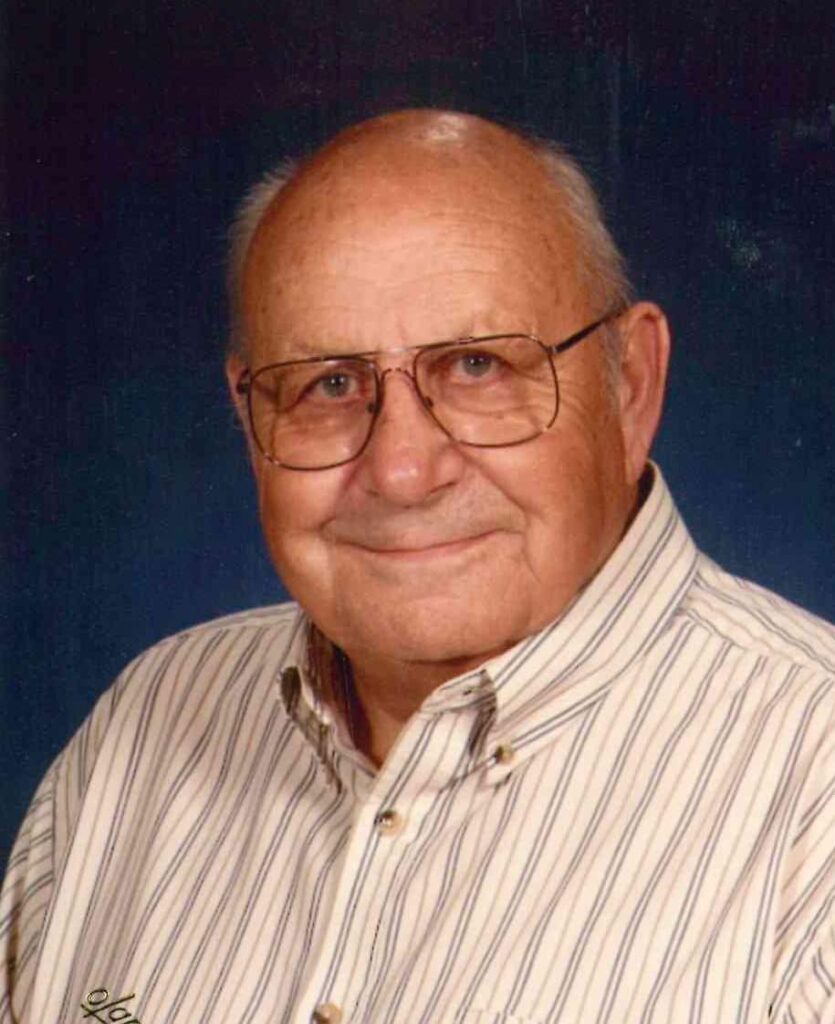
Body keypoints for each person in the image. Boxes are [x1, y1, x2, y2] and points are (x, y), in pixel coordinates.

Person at [1, 110, 832, 1024]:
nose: (400, 471)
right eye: (328, 384)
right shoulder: (145, 727)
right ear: (249, 417)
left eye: (478, 366)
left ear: (629, 386)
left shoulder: (812, 792)